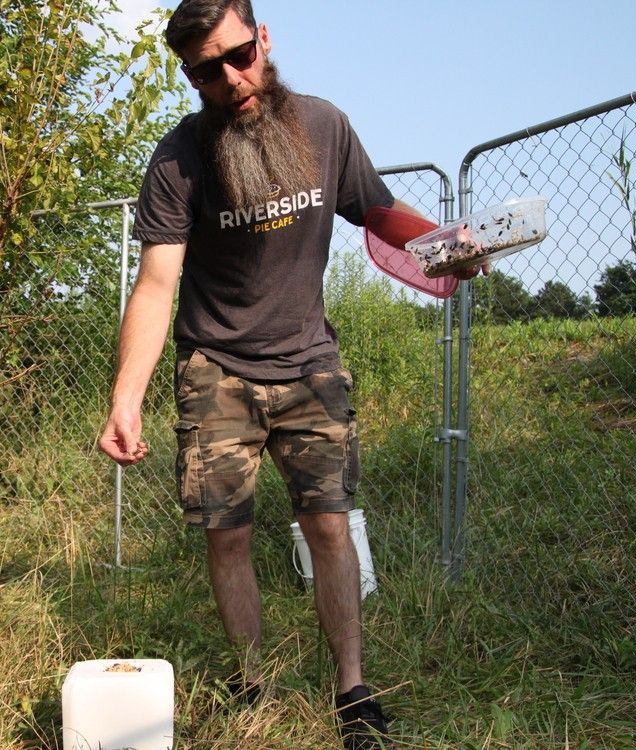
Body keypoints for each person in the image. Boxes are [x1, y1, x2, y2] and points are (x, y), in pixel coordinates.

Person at [99, 2, 479, 747]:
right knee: (227, 536)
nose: (233, 80)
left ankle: (353, 692)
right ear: (189, 74)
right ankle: (251, 684)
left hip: (310, 362)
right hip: (217, 369)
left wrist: (447, 243)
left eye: (240, 56)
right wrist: (126, 398)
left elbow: (375, 212)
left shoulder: (324, 126)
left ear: (263, 39)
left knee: (330, 525)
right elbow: (156, 283)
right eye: (208, 71)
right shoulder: (179, 160)